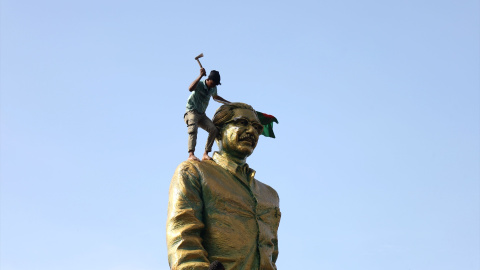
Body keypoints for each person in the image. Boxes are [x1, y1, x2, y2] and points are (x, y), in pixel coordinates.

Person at [167, 103, 281, 270]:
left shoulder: (270, 195)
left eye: (257, 127)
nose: (252, 131)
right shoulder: (194, 172)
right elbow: (183, 239)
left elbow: (272, 255)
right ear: (217, 130)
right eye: (242, 123)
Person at [185, 68, 230, 161]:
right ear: (208, 79)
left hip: (202, 114)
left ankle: (205, 154)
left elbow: (216, 97)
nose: (213, 86)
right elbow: (190, 88)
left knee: (214, 130)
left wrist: (228, 103)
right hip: (192, 112)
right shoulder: (200, 84)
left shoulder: (213, 88)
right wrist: (200, 75)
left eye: (215, 85)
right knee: (193, 130)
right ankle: (191, 154)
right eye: (213, 83)